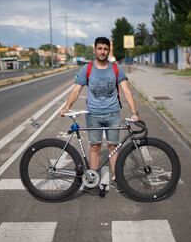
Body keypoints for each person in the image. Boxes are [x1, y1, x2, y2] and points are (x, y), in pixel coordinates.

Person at [60, 37, 139, 187]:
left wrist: (134, 112)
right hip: (93, 114)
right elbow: (77, 89)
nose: (102, 51)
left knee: (113, 146)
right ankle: (92, 179)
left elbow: (126, 91)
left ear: (109, 51)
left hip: (113, 113)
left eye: (105, 49)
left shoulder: (116, 69)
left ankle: (117, 179)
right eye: (100, 48)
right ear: (95, 50)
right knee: (95, 146)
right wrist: (67, 107)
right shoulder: (87, 69)